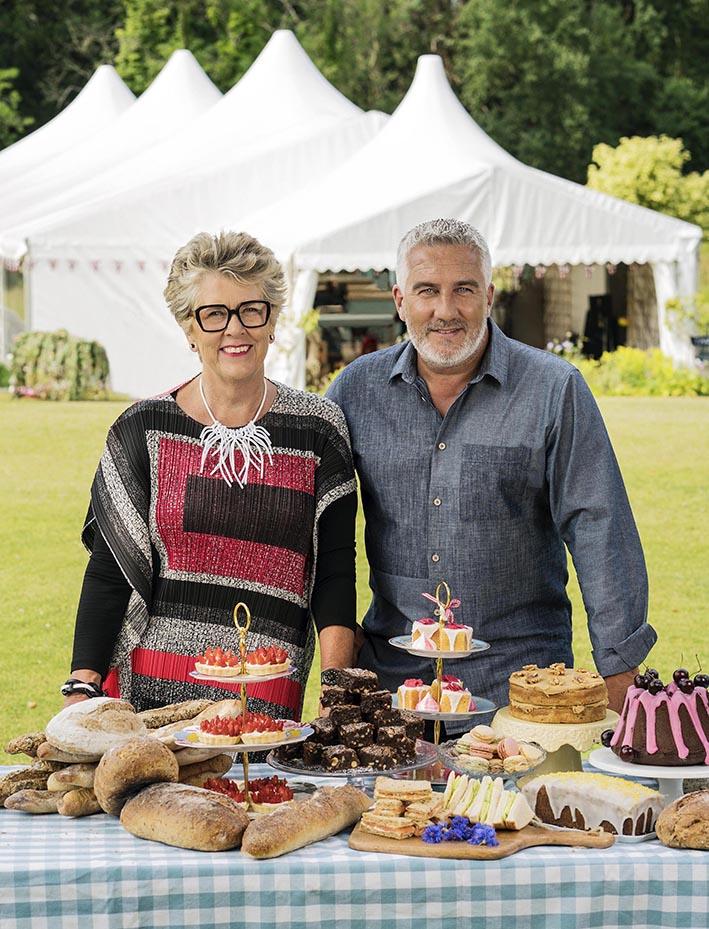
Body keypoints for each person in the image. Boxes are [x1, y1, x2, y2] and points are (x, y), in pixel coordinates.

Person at [327, 218, 655, 717]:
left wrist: (619, 678)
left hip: (521, 690)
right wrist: (338, 675)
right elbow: (320, 532)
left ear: (489, 296)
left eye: (463, 289)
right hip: (392, 692)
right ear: (400, 300)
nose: (445, 310)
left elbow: (599, 528)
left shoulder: (553, 389)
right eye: (426, 291)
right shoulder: (355, 391)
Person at [65, 231, 357, 719]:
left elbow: (333, 572)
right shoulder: (143, 428)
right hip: (150, 705)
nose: (235, 329)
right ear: (188, 328)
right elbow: (109, 568)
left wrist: (337, 687)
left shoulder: (319, 430)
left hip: (265, 702)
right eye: (214, 314)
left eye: (251, 310)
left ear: (272, 320)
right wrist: (81, 683)